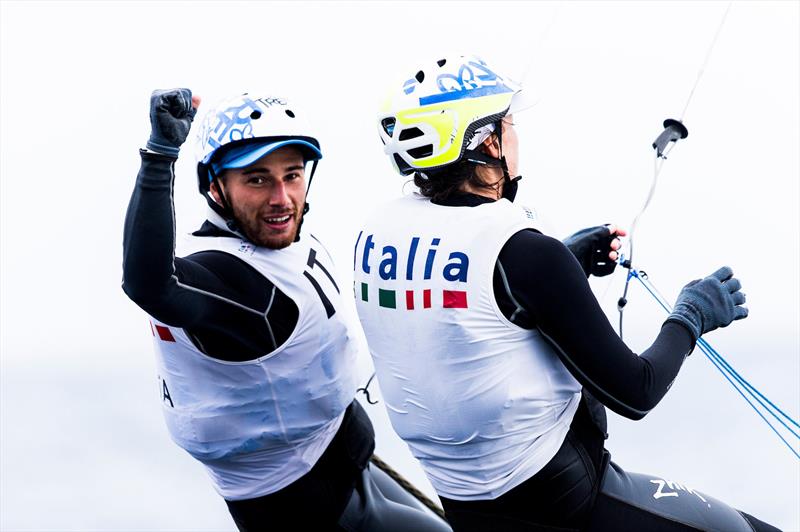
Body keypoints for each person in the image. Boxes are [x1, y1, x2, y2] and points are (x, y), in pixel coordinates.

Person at [353, 55, 781, 531]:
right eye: (508, 124)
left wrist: (566, 262)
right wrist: (691, 316)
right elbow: (637, 392)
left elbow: (463, 309)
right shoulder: (523, 253)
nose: (516, 137)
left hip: (470, 506)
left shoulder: (376, 235)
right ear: (486, 142)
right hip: (566, 501)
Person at [123, 89, 451, 531]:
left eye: (292, 175)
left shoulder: (266, 250)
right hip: (323, 513)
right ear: (215, 187)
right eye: (257, 179)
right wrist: (160, 155)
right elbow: (151, 284)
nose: (281, 198)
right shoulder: (233, 285)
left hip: (345, 462)